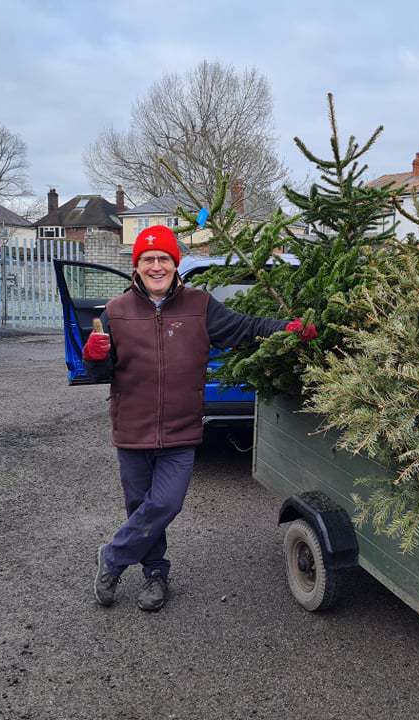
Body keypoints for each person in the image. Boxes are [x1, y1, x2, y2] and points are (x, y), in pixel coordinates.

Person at [82, 225, 317, 611]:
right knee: (140, 507)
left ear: (175, 265)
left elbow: (248, 328)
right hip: (132, 429)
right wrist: (95, 357)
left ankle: (111, 557)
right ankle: (156, 575)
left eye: (163, 259)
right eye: (148, 260)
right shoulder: (115, 312)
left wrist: (288, 330)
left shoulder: (200, 306)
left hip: (180, 430)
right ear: (136, 267)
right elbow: (101, 373)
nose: (156, 266)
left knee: (166, 504)